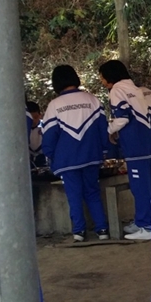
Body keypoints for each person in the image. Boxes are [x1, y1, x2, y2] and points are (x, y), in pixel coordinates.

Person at [40, 65, 111, 242]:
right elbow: (103, 129)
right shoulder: (92, 100)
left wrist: (50, 156)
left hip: (67, 159)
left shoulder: (55, 105)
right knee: (93, 192)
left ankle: (79, 231)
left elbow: (49, 136)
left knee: (74, 195)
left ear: (56, 82)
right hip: (92, 156)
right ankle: (102, 229)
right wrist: (104, 151)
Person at [98, 60, 151, 240]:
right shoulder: (135, 88)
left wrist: (109, 131)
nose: (101, 81)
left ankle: (146, 227)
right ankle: (145, 221)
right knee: (149, 186)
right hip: (148, 142)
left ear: (110, 77)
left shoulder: (117, 90)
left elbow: (122, 118)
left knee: (139, 188)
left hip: (136, 145)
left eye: (101, 77)